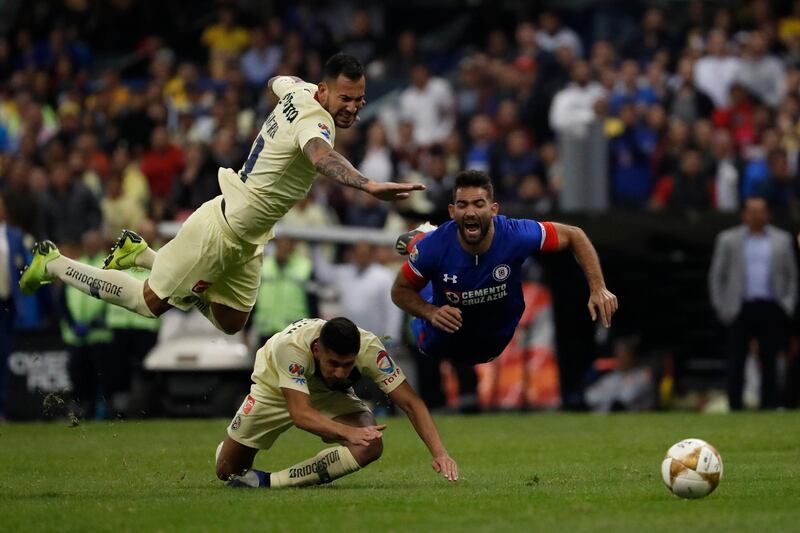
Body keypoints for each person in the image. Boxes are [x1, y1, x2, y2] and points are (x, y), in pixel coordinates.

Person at [19, 53, 423, 335]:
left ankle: (141, 255)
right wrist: (368, 184)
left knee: (232, 321)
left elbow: (275, 81)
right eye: (345, 98)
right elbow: (321, 157)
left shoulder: (298, 94)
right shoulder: (317, 122)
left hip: (249, 236)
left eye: (359, 99)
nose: (353, 107)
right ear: (323, 92)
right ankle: (53, 263)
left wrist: (296, 91)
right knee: (149, 303)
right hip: (222, 231)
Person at [391, 170, 617, 401]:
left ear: (493, 209)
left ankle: (417, 241)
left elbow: (574, 235)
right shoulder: (436, 248)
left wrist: (598, 287)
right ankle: (418, 243)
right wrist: (431, 312)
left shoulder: (516, 234)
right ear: (452, 211)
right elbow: (399, 291)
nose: (470, 212)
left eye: (479, 204)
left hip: (495, 337)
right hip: (443, 337)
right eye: (462, 205)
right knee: (429, 303)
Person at [215, 317, 458, 488]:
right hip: (273, 388)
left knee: (370, 443)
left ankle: (269, 482)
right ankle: (231, 444)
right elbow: (301, 414)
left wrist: (440, 453)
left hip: (326, 392)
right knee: (228, 471)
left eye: (347, 365)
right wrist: (346, 432)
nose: (341, 373)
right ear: (318, 349)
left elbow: (411, 403)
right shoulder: (291, 348)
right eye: (333, 364)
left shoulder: (369, 347)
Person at [709, 196, 797, 410]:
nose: (756, 215)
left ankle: (770, 405)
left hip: (770, 306)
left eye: (760, 210)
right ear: (744, 214)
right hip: (739, 307)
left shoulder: (782, 239)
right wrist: (722, 307)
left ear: (768, 214)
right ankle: (735, 406)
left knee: (770, 360)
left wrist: (787, 304)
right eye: (752, 211)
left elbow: (791, 275)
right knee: (737, 360)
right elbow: (716, 276)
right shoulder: (728, 239)